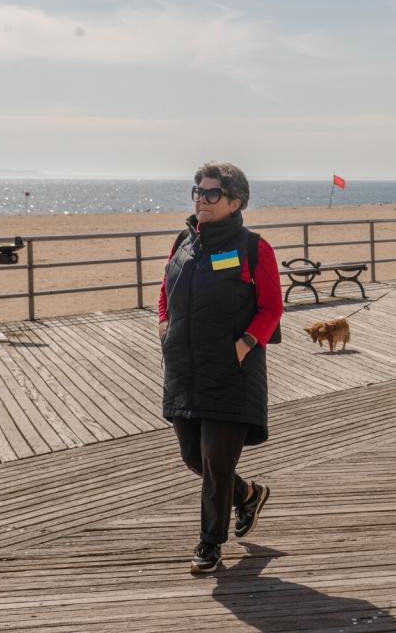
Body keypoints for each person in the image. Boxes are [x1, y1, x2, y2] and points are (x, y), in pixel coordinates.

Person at [157, 161, 284, 573]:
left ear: (235, 201)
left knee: (215, 463)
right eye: (197, 191)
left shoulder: (253, 247)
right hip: (185, 369)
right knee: (193, 456)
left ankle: (209, 543)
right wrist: (164, 326)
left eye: (212, 193)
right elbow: (166, 290)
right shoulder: (184, 240)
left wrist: (244, 346)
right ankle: (247, 495)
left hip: (232, 372)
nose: (201, 199)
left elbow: (271, 307)